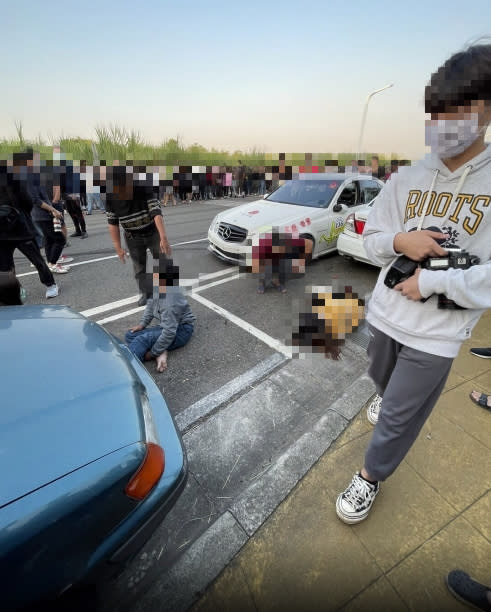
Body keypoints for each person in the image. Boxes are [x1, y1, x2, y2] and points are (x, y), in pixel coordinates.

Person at [336, 41, 491, 524]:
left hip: (439, 332)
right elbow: (372, 239)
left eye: (459, 109)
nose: (445, 123)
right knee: (381, 381)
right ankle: (386, 393)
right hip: (386, 313)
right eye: (437, 112)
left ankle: (369, 477)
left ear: (485, 110)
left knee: (400, 414)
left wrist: (433, 282)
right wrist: (402, 240)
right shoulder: (405, 178)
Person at [105, 165, 172, 306]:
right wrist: (118, 248)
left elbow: (156, 212)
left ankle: (165, 291)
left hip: (152, 232)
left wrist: (163, 238)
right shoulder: (111, 196)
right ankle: (145, 293)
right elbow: (112, 223)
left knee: (162, 261)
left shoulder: (143, 187)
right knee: (139, 267)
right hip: (132, 237)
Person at [0, 153, 59, 299]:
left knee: (35, 259)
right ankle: (14, 291)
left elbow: (27, 201)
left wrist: (20, 214)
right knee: (5, 266)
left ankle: (51, 284)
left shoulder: (13, 178)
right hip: (4, 231)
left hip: (20, 228)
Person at [125, 256, 195, 372]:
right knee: (130, 334)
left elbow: (169, 332)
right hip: (167, 326)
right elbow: (150, 306)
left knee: (141, 340)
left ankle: (129, 371)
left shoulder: (169, 301)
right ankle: (162, 350)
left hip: (181, 330)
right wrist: (142, 324)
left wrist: (152, 354)